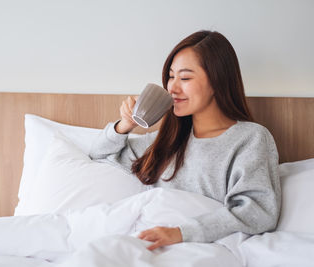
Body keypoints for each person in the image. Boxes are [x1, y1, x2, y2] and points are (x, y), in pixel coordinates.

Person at [89, 30, 281, 251]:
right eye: (171, 76)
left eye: (185, 77)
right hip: (146, 241)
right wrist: (124, 125)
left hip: (197, 249)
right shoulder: (165, 142)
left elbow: (258, 211)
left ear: (217, 81)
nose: (172, 87)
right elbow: (97, 155)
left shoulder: (250, 139)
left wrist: (181, 233)